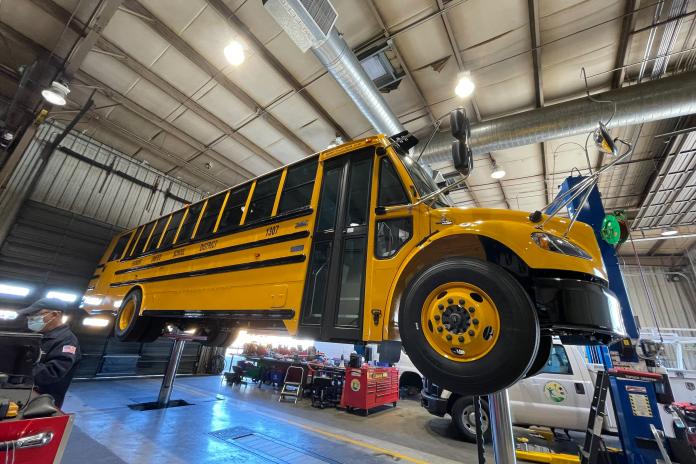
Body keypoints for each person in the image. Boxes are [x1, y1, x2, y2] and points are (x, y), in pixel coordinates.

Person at [17, 298, 81, 408]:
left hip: (43, 401)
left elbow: (52, 372)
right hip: (25, 394)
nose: (30, 319)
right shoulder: (38, 335)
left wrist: (17, 369)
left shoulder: (67, 341)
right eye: (29, 315)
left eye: (36, 314)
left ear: (54, 315)